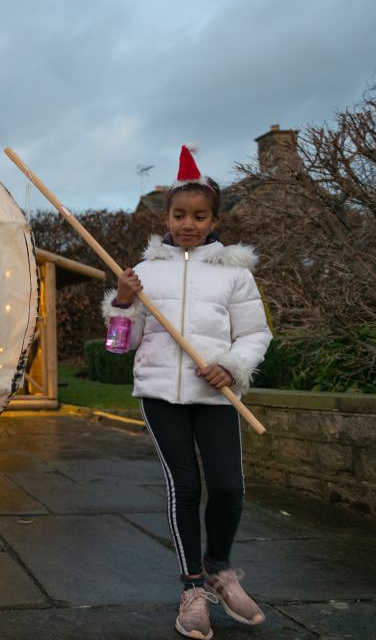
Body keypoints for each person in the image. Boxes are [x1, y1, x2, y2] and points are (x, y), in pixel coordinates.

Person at [102, 146, 272, 640]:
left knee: (228, 486)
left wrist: (232, 367)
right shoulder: (143, 273)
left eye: (199, 216)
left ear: (215, 220)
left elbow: (255, 334)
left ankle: (219, 570)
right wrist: (123, 302)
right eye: (179, 215)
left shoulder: (235, 274)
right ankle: (193, 588)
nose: (188, 224)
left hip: (215, 394)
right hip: (160, 394)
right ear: (167, 218)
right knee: (186, 486)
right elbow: (119, 346)